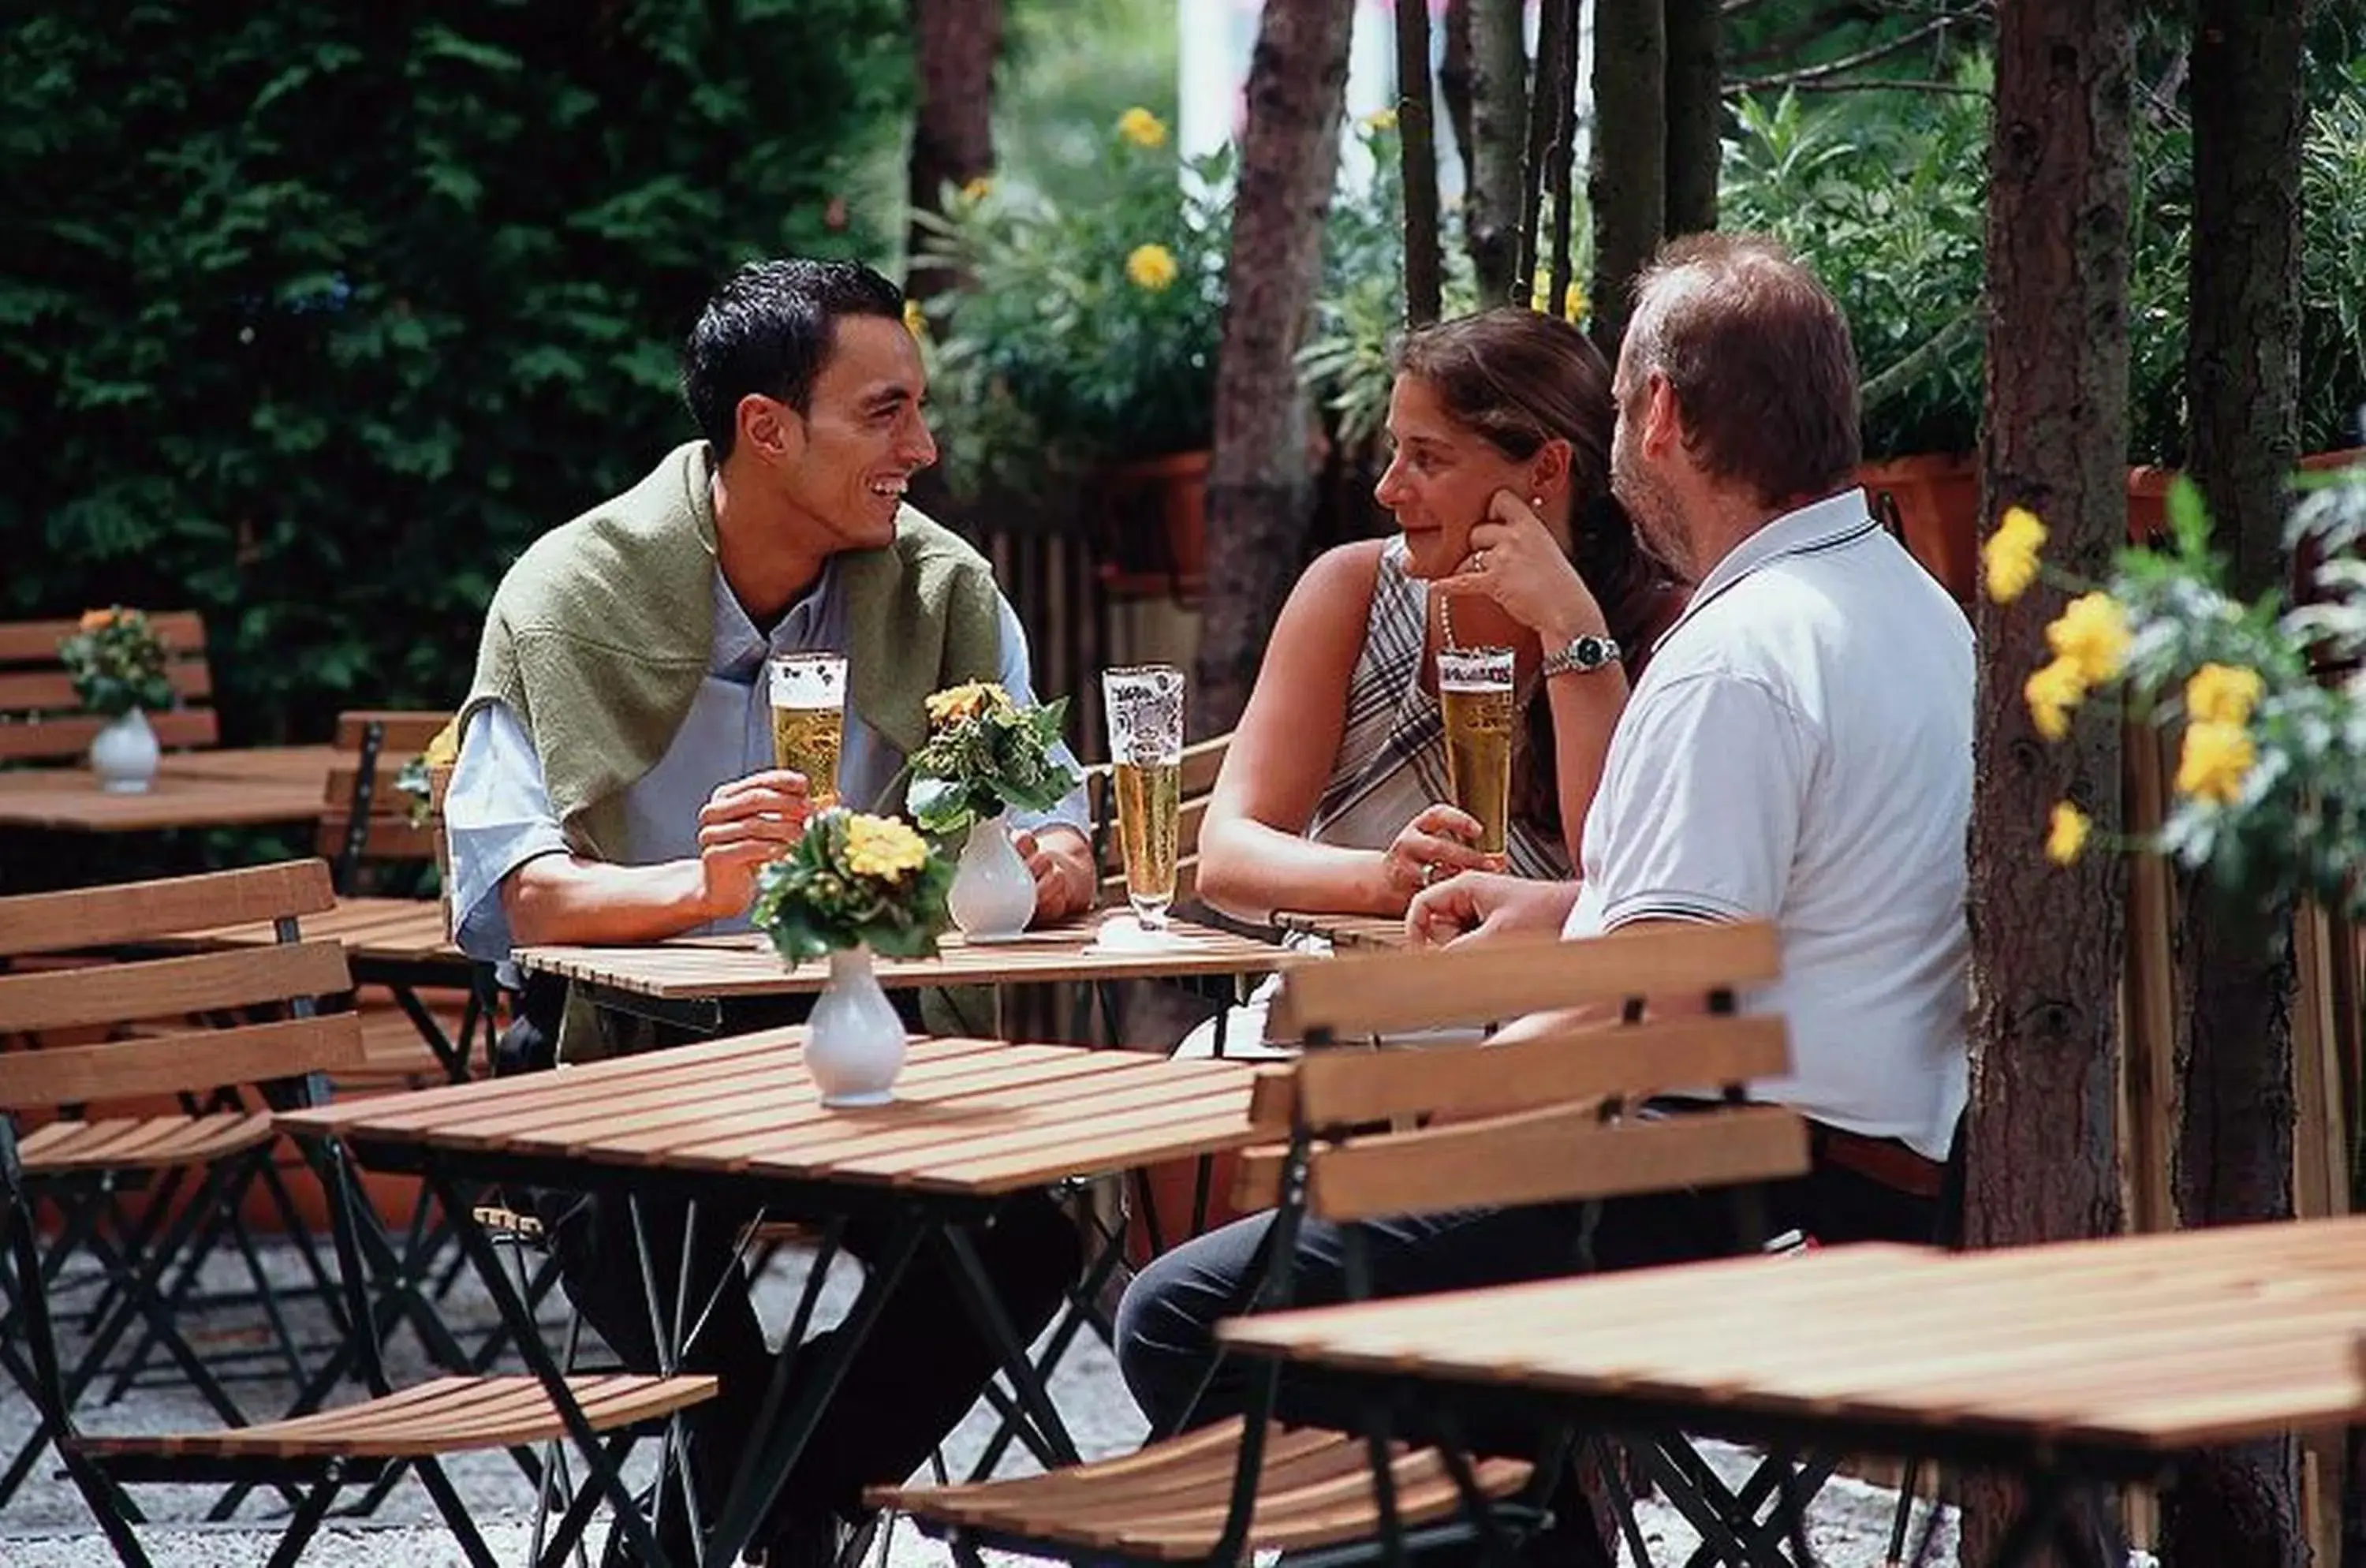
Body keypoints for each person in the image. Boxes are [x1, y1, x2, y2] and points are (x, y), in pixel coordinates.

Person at [1117, 235, 1972, 1564]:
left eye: (1629, 402)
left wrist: (1409, 1110)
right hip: (1861, 1177)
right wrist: (1565, 917)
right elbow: (1768, 925)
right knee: (1428, 1384)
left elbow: (1660, 1005)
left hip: (1725, 1186)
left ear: (1669, 417)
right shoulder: (1914, 610)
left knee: (1182, 1317)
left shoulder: (1733, 658)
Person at [444, 258, 1088, 1565]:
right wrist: (703, 887)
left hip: (873, 1036)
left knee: (1026, 1240)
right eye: (886, 412)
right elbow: (513, 898)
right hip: (625, 1057)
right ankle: (776, 1495)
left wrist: (1058, 855)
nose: (926, 445)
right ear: (765, 428)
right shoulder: (568, 593)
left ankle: (733, 1509)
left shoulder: (946, 591)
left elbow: (1048, 813)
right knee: (627, 1220)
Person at [1177, 307, 1684, 1057]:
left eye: (1428, 458)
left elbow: (1608, 880)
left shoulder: (1659, 625)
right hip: (1335, 1013)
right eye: (1394, 451)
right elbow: (1226, 857)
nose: (1388, 488)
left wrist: (1573, 632)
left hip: (1530, 1032)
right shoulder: (1350, 592)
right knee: (1195, 1108)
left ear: (1544, 470)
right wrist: (1384, 879)